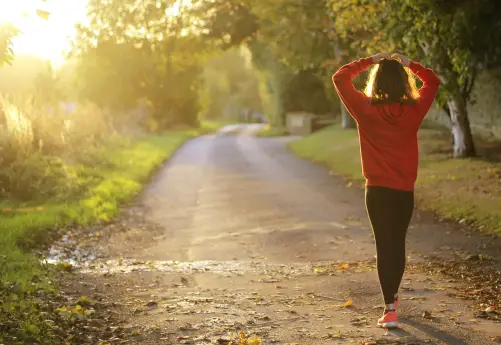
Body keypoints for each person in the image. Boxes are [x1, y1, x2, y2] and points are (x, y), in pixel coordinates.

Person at [332, 53, 440, 328]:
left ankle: (389, 308)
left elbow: (340, 77)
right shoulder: (414, 110)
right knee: (397, 243)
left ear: (376, 81)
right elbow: (433, 81)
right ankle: (392, 297)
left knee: (384, 245)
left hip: (377, 191)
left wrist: (369, 60)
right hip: (404, 191)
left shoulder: (365, 109)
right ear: (404, 83)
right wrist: (410, 64)